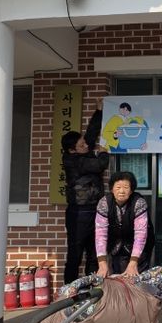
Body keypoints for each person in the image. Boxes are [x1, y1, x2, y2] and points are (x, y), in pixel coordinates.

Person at [61, 99, 109, 285]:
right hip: (79, 213)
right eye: (81, 145)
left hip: (94, 210)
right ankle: (68, 291)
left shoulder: (81, 151)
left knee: (94, 253)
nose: (86, 145)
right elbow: (100, 165)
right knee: (75, 253)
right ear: (72, 150)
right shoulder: (74, 161)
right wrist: (103, 152)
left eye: (84, 143)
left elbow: (91, 134)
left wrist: (98, 112)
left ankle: (91, 290)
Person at [95, 171, 155, 277]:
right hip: (115, 247)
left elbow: (140, 235)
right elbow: (100, 234)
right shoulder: (104, 203)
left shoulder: (139, 203)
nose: (122, 191)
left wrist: (134, 262)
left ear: (131, 190)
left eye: (126, 187)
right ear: (112, 189)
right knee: (117, 279)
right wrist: (102, 262)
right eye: (118, 187)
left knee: (136, 279)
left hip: (139, 249)